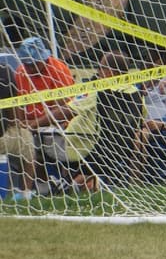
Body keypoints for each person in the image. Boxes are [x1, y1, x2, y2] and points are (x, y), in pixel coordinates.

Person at [70, 50, 144, 191]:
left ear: (110, 72)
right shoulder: (137, 94)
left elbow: (67, 111)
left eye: (100, 68)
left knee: (46, 141)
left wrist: (34, 123)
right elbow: (140, 120)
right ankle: (92, 183)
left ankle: (60, 185)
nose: (98, 72)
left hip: (93, 147)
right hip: (123, 148)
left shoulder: (98, 90)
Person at [14, 36, 76, 193]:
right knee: (23, 140)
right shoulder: (21, 72)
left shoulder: (58, 70)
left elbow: (66, 109)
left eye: (33, 64)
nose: (29, 68)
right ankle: (41, 188)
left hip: (60, 126)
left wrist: (34, 124)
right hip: (31, 126)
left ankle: (66, 183)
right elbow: (19, 104)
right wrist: (21, 124)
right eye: (27, 64)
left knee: (40, 139)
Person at [0, 56, 36, 200]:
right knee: (27, 141)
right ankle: (25, 192)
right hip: (3, 136)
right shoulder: (5, 71)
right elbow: (14, 113)